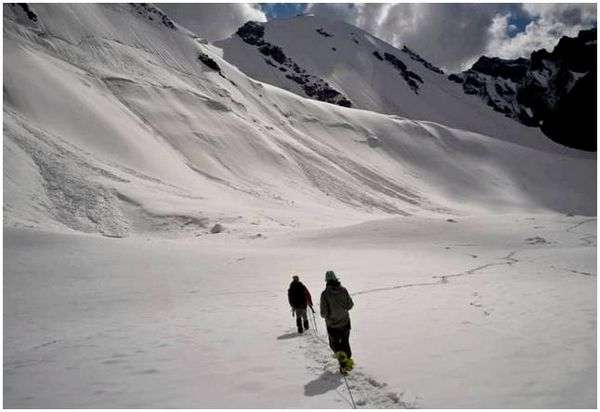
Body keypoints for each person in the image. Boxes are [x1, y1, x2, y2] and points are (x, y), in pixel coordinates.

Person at [320, 270, 354, 373]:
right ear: (336, 278)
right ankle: (347, 362)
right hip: (345, 323)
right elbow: (350, 305)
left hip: (332, 326)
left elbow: (323, 313)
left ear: (326, 281)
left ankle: (344, 365)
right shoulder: (343, 290)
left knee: (335, 345)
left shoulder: (325, 294)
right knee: (345, 343)